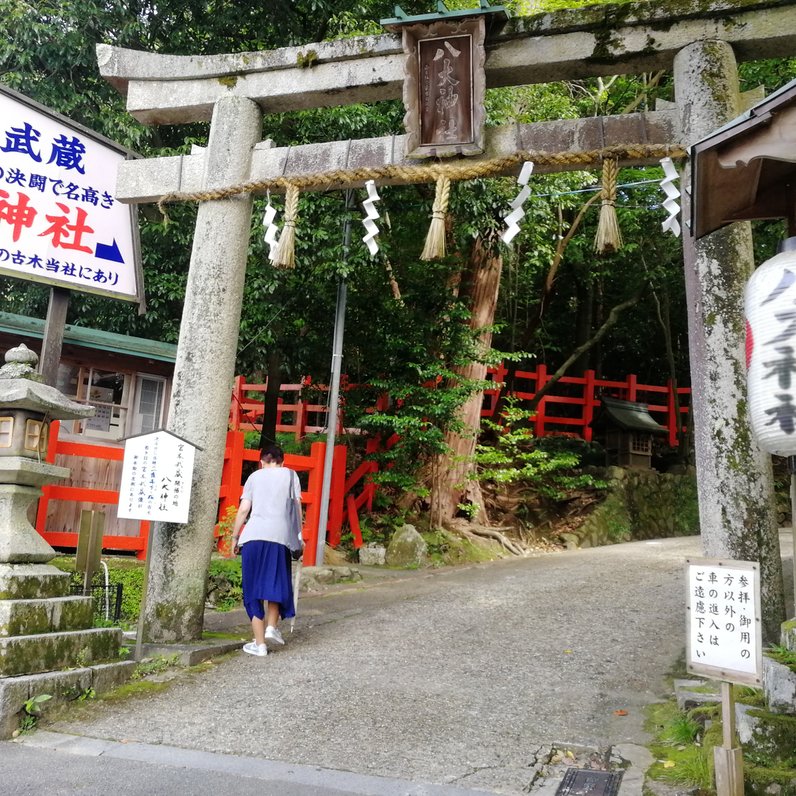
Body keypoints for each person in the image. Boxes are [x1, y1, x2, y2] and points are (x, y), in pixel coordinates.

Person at [229, 444, 303, 657]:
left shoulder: (254, 477)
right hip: (279, 537)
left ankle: (260, 645)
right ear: (282, 461)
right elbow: (296, 509)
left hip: (252, 537)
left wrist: (235, 537)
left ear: (262, 461)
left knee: (253, 589)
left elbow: (244, 509)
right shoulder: (290, 475)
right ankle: (272, 626)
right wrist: (299, 537)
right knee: (276, 581)